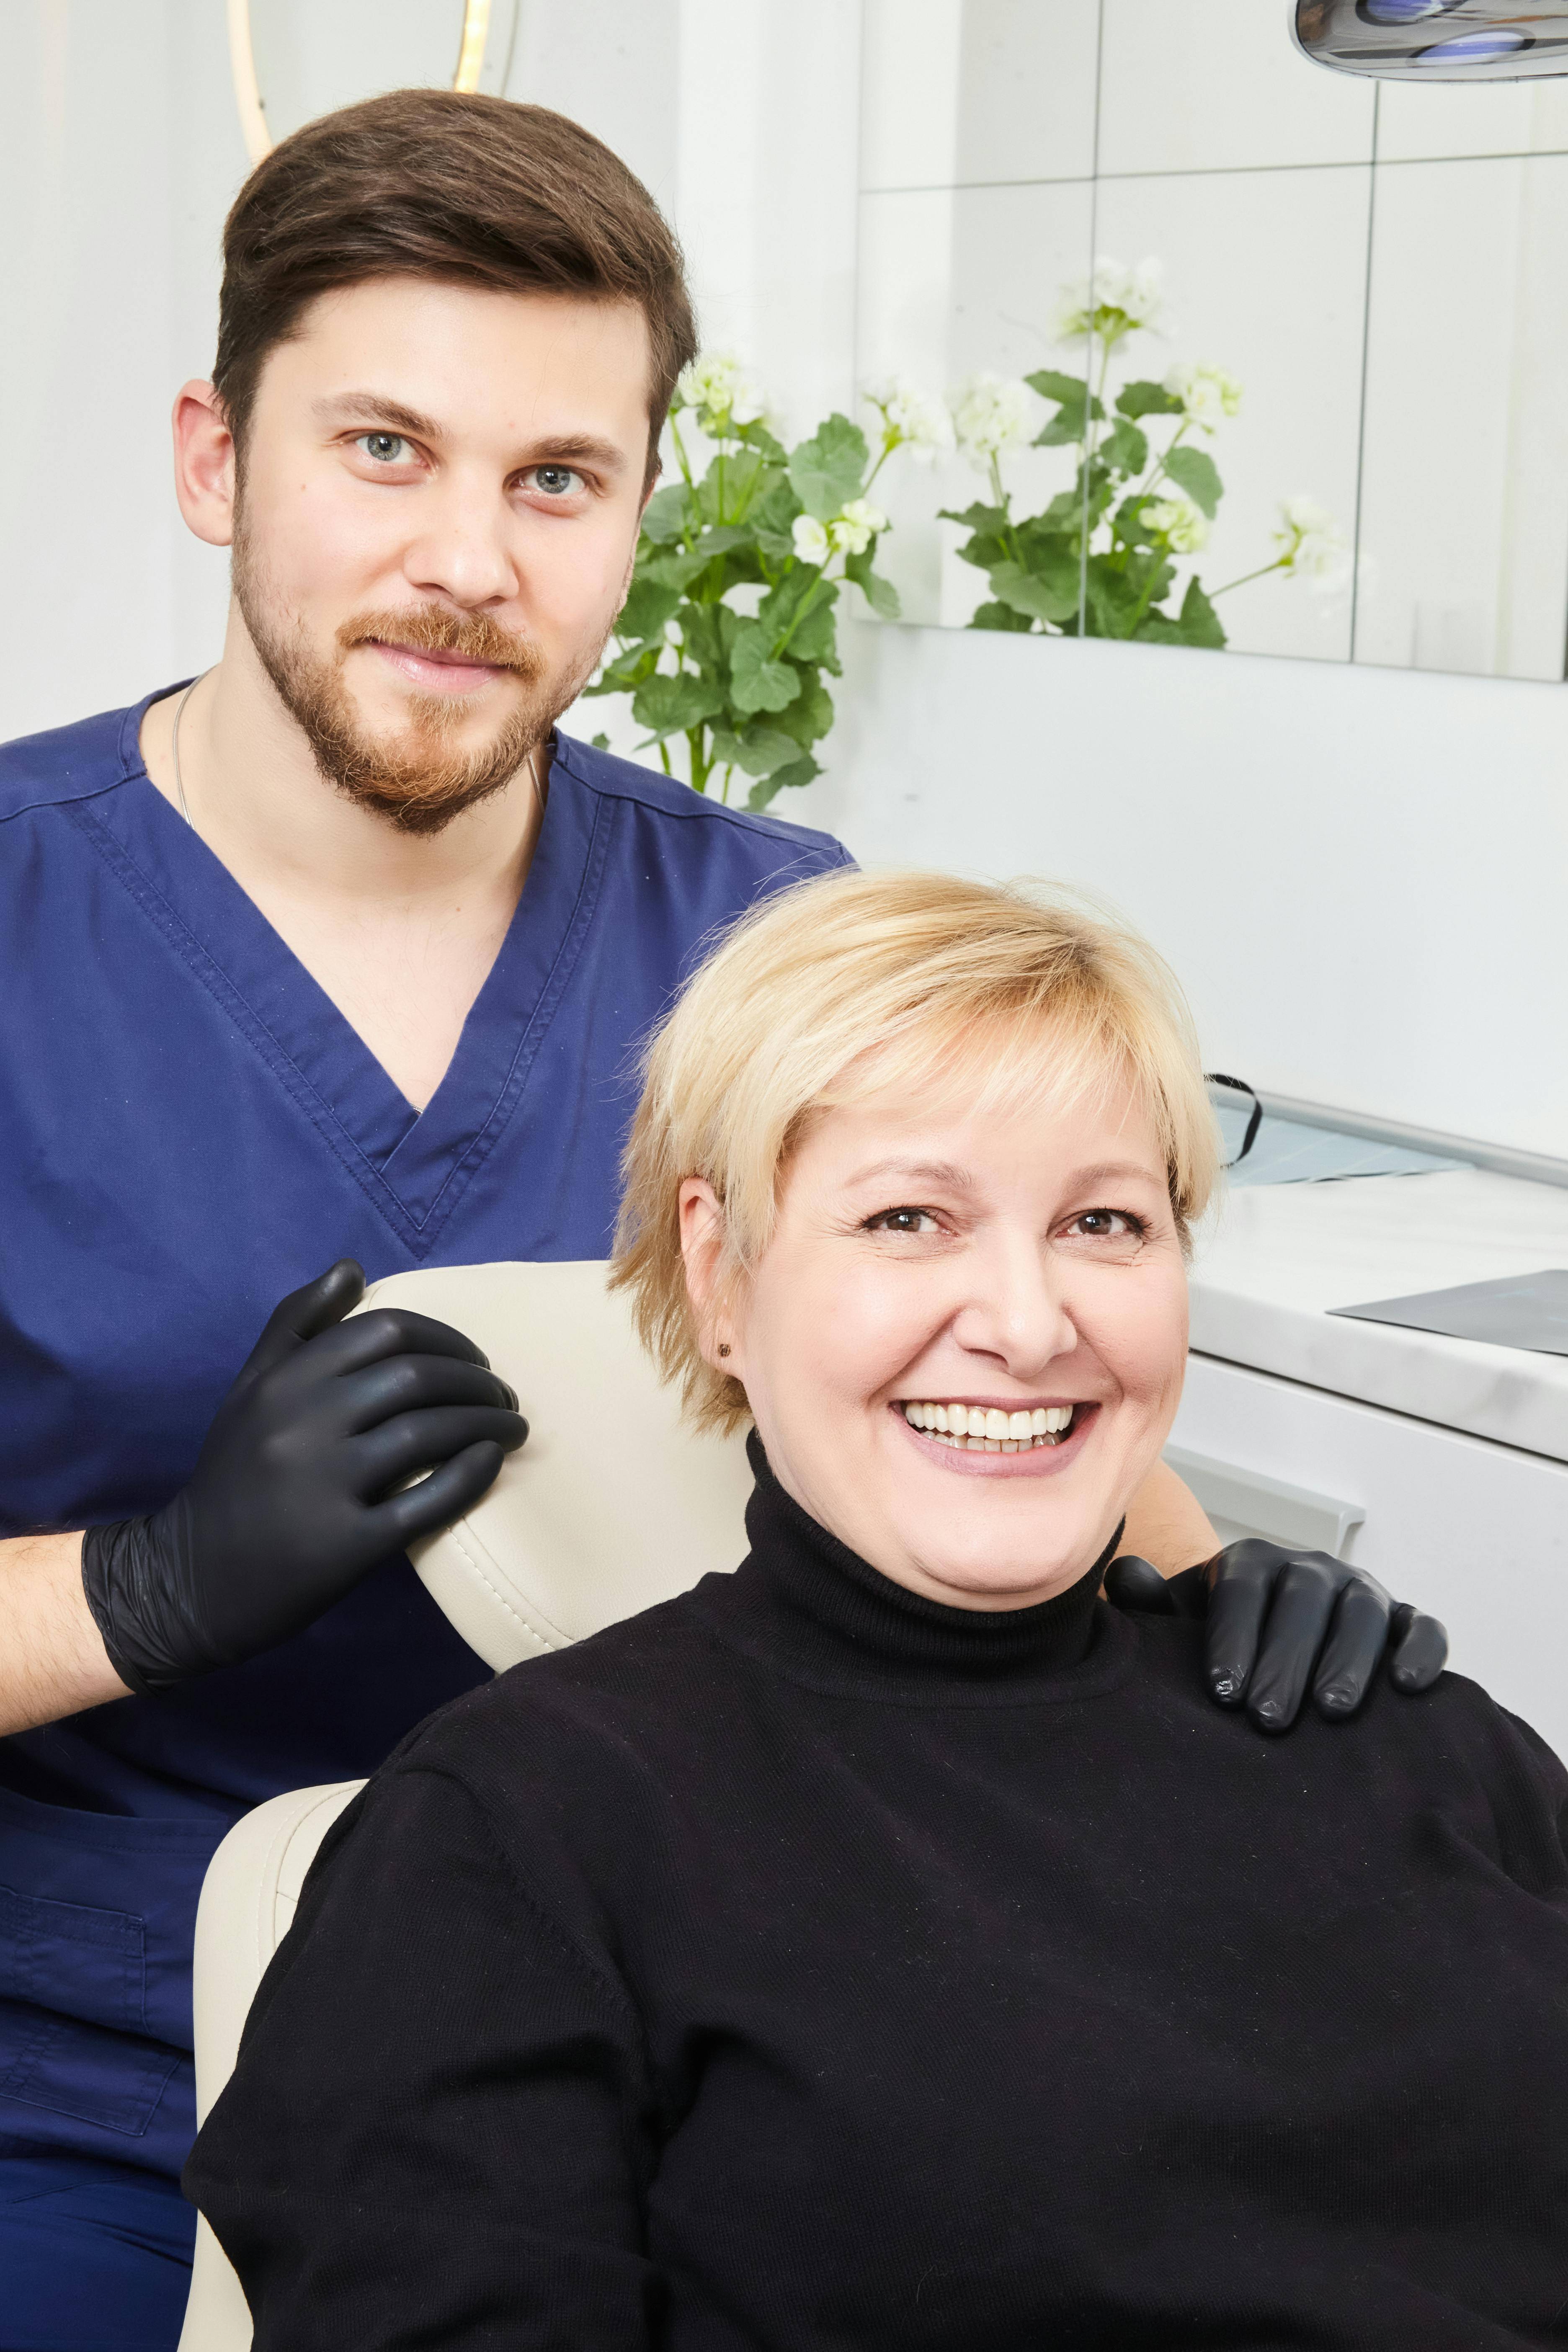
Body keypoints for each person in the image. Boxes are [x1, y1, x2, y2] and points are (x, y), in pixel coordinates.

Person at [0, 89, 1442, 2348]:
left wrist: (1217, 1595)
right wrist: (150, 1590)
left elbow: (985, 1341)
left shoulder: (770, 927)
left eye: (556, 479)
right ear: (215, 459)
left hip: (759, 2004)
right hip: (85, 2080)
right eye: (385, 449)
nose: (473, 559)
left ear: (638, 510)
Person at [188, 869, 1568, 2350]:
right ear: (721, 1274)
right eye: (910, 1217)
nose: (1032, 1326)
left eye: (1105, 1223)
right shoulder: (522, 1837)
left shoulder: (1415, 1748)